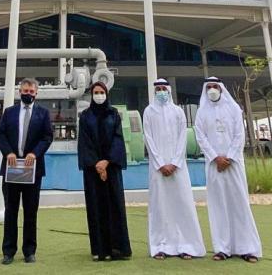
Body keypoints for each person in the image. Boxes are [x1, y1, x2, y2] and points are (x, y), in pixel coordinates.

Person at [194, 76, 262, 263]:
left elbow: (240, 135)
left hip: (234, 164)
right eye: (209, 87)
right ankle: (222, 248)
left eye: (216, 86)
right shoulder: (201, 112)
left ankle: (247, 248)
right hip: (214, 165)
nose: (213, 90)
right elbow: (201, 137)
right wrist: (216, 157)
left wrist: (229, 157)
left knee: (239, 204)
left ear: (221, 89)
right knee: (218, 206)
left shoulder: (233, 109)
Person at [142, 78, 205, 260]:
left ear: (169, 90)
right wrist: (161, 163)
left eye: (164, 88)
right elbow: (149, 138)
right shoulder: (149, 111)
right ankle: (160, 245)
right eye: (158, 89)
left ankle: (186, 245)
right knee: (160, 205)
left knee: (182, 204)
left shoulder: (178, 112)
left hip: (178, 168)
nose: (161, 91)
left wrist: (175, 162)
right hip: (158, 168)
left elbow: (182, 139)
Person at [0, 78, 54, 264]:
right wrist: (8, 152)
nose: (28, 94)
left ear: (36, 93)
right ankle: (8, 251)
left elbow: (47, 137)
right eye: (25, 90)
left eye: (31, 91)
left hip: (32, 169)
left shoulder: (43, 113)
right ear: (19, 91)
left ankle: (29, 250)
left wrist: (34, 154)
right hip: (12, 167)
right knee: (10, 211)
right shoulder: (9, 112)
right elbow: (1, 134)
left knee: (30, 211)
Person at [77, 81, 131, 261]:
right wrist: (97, 164)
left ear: (107, 94)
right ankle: (100, 250)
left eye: (102, 92)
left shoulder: (113, 114)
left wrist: (107, 161)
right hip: (93, 171)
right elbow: (85, 142)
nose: (99, 95)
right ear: (91, 95)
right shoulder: (85, 116)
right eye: (96, 92)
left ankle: (117, 248)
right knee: (96, 207)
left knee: (114, 206)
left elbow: (117, 138)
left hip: (112, 168)